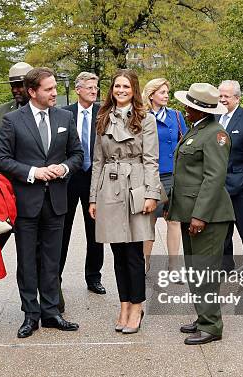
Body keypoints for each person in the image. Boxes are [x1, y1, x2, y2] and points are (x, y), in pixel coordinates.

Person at [0, 67, 84, 338]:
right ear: (32, 92)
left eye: (55, 87)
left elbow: (77, 154)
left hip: (56, 201)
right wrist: (33, 173)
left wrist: (64, 168)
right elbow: (2, 159)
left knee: (51, 259)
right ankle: (30, 315)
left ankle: (51, 312)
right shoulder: (12, 120)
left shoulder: (65, 117)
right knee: (27, 261)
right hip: (26, 202)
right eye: (48, 89)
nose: (55, 92)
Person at [89, 69, 161, 334]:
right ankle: (123, 305)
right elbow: (98, 160)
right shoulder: (103, 117)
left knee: (133, 252)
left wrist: (152, 193)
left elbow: (151, 159)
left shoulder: (145, 119)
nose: (121, 90)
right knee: (117, 252)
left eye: (126, 87)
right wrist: (93, 197)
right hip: (109, 184)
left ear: (134, 90)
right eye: (117, 86)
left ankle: (137, 306)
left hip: (136, 184)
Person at [168, 83, 234, 345]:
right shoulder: (199, 130)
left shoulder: (216, 134)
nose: (185, 109)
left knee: (205, 272)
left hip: (209, 216)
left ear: (200, 110)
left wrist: (200, 216)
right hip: (190, 212)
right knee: (196, 270)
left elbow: (213, 178)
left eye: (190, 106)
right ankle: (203, 316)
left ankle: (212, 326)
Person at [59, 72, 105, 306]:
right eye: (89, 87)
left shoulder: (103, 113)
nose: (93, 91)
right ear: (77, 89)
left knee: (95, 230)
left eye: (95, 87)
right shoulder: (64, 113)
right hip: (68, 178)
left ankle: (94, 276)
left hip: (94, 179)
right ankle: (55, 276)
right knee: (62, 228)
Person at [141, 78, 188, 274]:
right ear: (151, 95)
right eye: (162, 92)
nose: (166, 95)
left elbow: (185, 143)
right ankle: (144, 264)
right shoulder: (141, 116)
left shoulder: (176, 116)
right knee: (148, 221)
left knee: (174, 220)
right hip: (150, 176)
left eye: (167, 92)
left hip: (173, 175)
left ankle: (173, 265)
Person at [216, 80, 243, 272]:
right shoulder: (214, 118)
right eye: (220, 96)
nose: (223, 99)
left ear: (237, 98)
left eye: (227, 96)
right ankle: (226, 265)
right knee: (222, 229)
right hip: (218, 185)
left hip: (242, 184)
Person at [0, 62, 34, 166]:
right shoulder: (0, 111)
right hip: (5, 177)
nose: (15, 90)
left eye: (19, 86)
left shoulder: (46, 111)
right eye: (12, 86)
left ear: (32, 86)